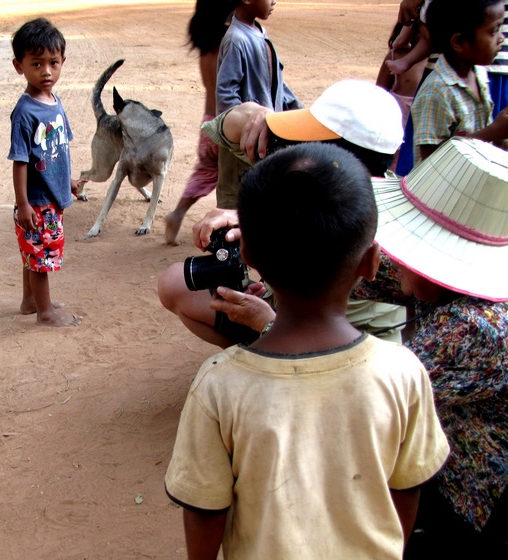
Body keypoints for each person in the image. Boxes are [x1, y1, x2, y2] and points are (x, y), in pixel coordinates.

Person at [164, 142, 450, 560]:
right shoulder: (403, 372)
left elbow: (204, 505)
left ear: (249, 256)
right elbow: (408, 486)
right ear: (371, 262)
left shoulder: (220, 384)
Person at [354, 137, 508, 560]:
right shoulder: (455, 290)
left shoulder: (474, 328)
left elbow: (366, 394)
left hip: (472, 507)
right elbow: (366, 271)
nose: (392, 250)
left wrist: (270, 324)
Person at [158, 80, 406, 347]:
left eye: (313, 136)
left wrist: (265, 323)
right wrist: (260, 117)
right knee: (176, 282)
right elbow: (223, 127)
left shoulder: (355, 223)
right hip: (294, 314)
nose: (301, 142)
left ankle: (269, 362)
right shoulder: (314, 178)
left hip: (344, 349)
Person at [9, 18, 83, 327]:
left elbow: (60, 147)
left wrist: (69, 182)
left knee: (35, 252)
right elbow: (20, 161)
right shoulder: (25, 112)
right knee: (41, 258)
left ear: (63, 61)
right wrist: (24, 203)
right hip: (38, 202)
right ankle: (46, 312)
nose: (47, 71)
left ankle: (30, 302)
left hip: (55, 196)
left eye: (53, 62)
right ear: (19, 66)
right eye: (36, 63)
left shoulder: (55, 102)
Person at [213, 0, 301, 211]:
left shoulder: (260, 32)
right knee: (234, 206)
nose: (274, 1)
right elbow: (226, 95)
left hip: (266, 140)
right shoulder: (236, 40)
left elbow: (277, 83)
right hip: (241, 148)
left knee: (261, 204)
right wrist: (244, 129)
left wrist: (299, 113)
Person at [163, 0, 234, 245]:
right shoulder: (231, 43)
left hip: (208, 125)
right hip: (229, 126)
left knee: (205, 171)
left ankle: (178, 212)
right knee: (233, 183)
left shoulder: (205, 47)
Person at [411, 0, 508, 164]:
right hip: (440, 188)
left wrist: (499, 139)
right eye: (493, 32)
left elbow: (478, 132)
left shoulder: (478, 73)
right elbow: (431, 160)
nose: (501, 38)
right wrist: (492, 133)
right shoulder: (436, 91)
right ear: (459, 42)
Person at [377, 21, 428, 171]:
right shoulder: (395, 56)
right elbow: (380, 92)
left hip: (420, 124)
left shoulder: (435, 61)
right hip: (396, 124)